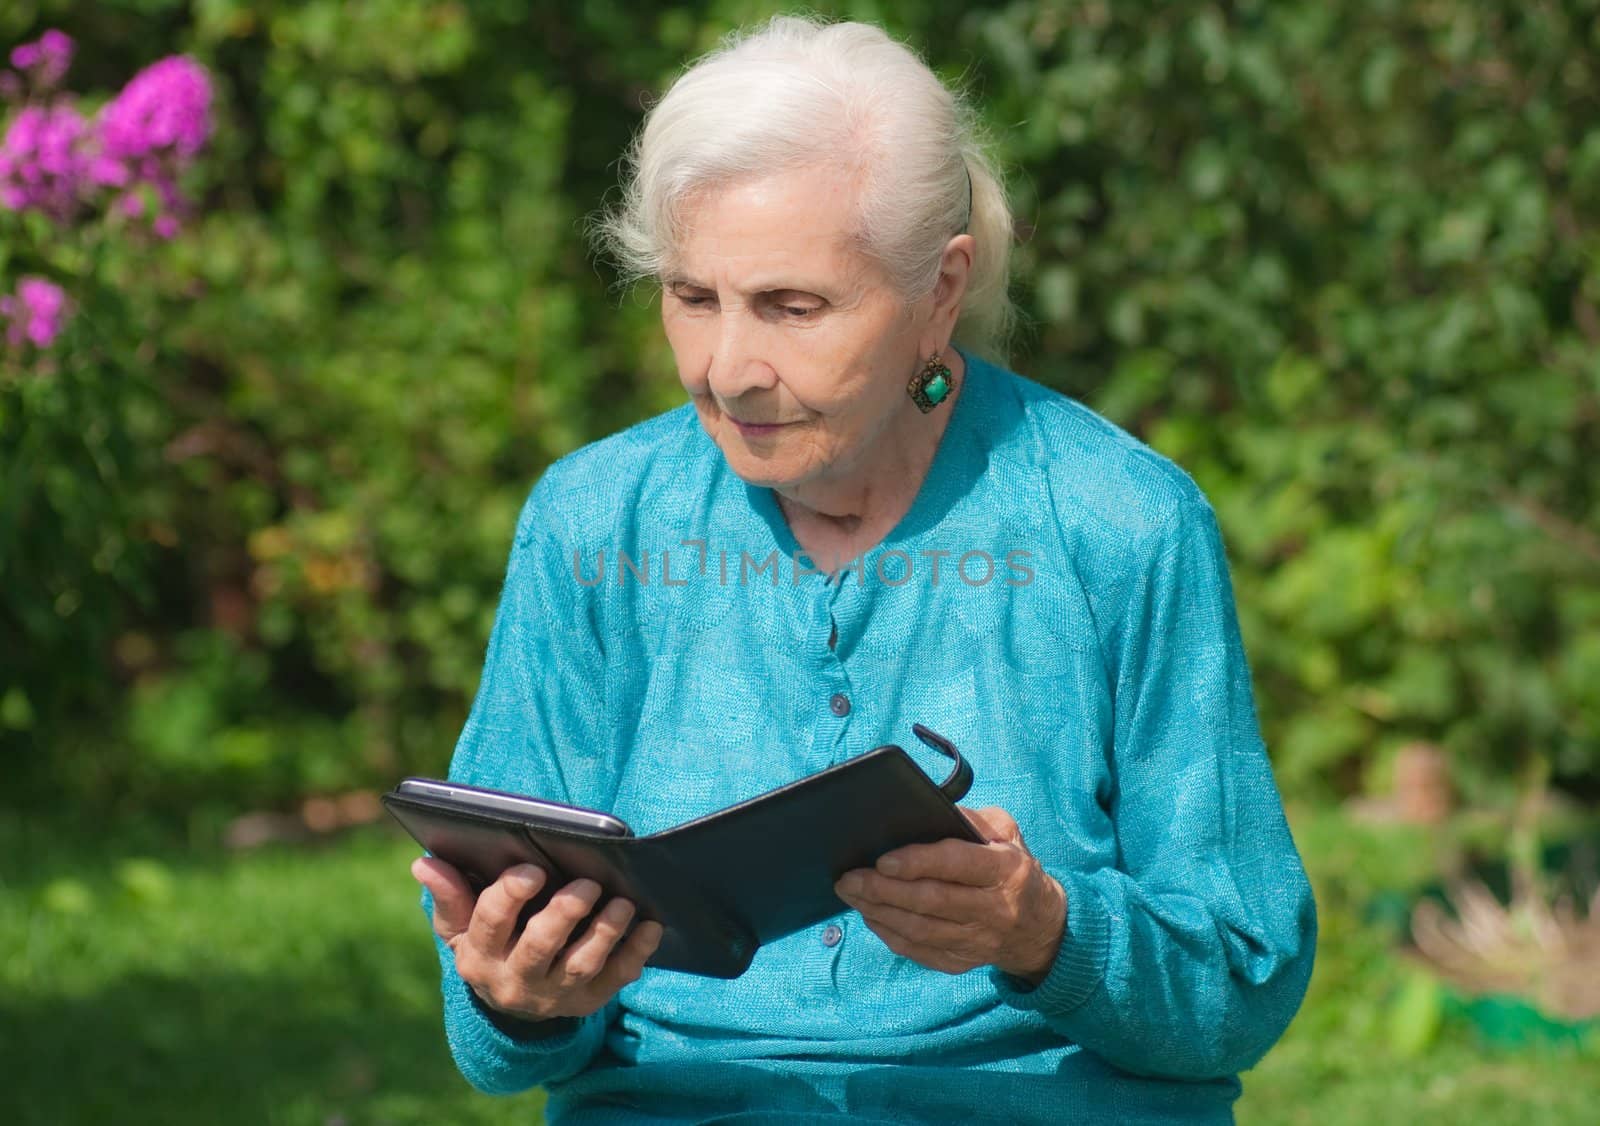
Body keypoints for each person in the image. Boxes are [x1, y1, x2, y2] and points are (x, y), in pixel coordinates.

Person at [410, 15, 1317, 1125]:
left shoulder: (1119, 521)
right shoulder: (594, 520)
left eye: (793, 307)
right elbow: (500, 1048)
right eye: (692, 297)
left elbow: (1240, 986)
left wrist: (1046, 933)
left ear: (940, 290)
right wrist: (523, 999)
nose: (727, 369)